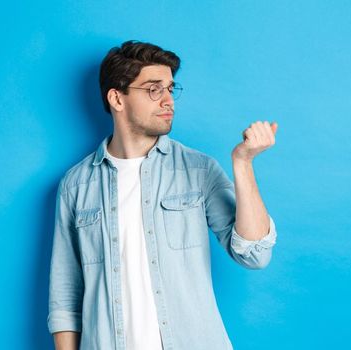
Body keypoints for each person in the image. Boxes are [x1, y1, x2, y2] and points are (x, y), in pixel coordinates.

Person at [48, 40, 279, 350]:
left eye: (171, 89)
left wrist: (244, 163)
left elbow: (254, 253)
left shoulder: (198, 170)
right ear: (117, 98)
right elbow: (65, 298)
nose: (168, 100)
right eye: (154, 89)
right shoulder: (76, 185)